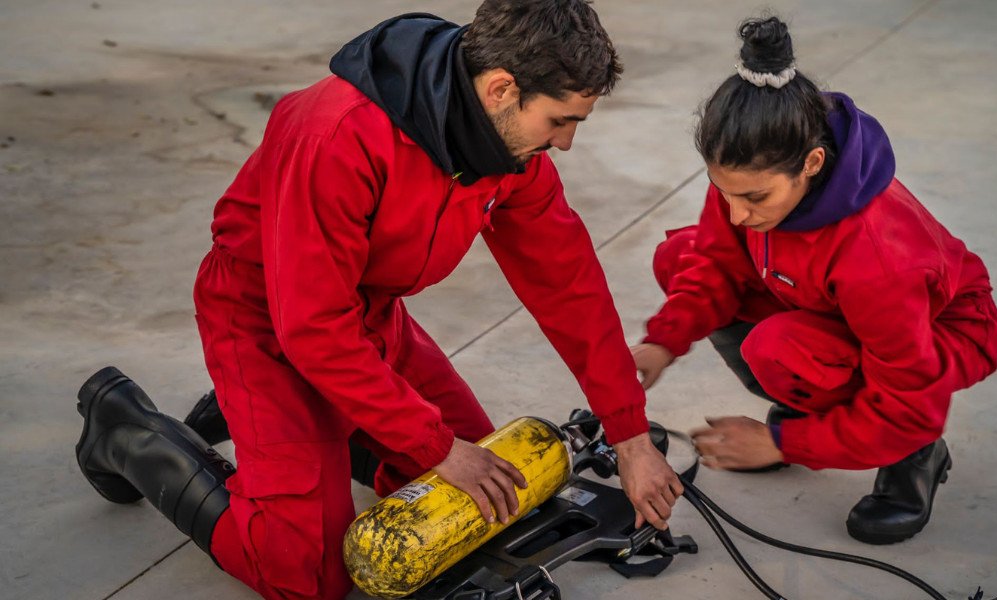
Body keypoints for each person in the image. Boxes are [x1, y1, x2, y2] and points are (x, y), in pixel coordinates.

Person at [74, 2, 683, 598]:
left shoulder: (508, 152)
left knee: (487, 503)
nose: (567, 144)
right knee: (304, 571)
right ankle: (125, 428)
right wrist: (438, 448)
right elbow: (311, 327)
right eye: (559, 122)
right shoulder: (336, 134)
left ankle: (297, 418)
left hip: (367, 318)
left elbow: (568, 284)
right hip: (262, 316)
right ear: (501, 88)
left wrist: (628, 435)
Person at [631, 16, 997, 545]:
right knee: (681, 255)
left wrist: (782, 444)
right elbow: (713, 265)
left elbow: (908, 401)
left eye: (754, 199)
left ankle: (913, 455)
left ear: (812, 163)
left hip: (939, 337)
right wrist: (661, 344)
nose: (736, 214)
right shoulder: (753, 174)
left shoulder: (877, 257)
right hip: (829, 305)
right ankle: (815, 405)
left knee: (780, 349)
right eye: (723, 192)